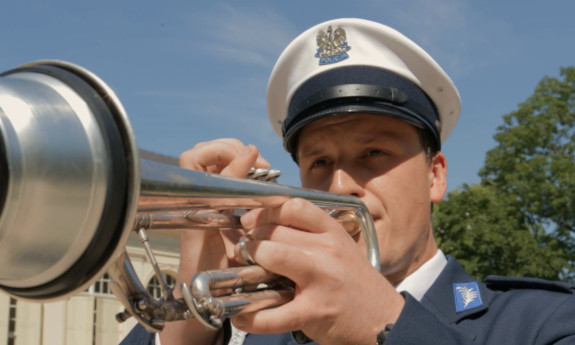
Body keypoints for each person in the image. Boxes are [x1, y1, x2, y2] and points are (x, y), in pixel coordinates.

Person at [121, 18, 575, 345]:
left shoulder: (543, 322)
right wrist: (190, 323)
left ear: (435, 177)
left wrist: (385, 325)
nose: (339, 187)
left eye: (373, 153)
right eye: (318, 162)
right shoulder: (261, 329)